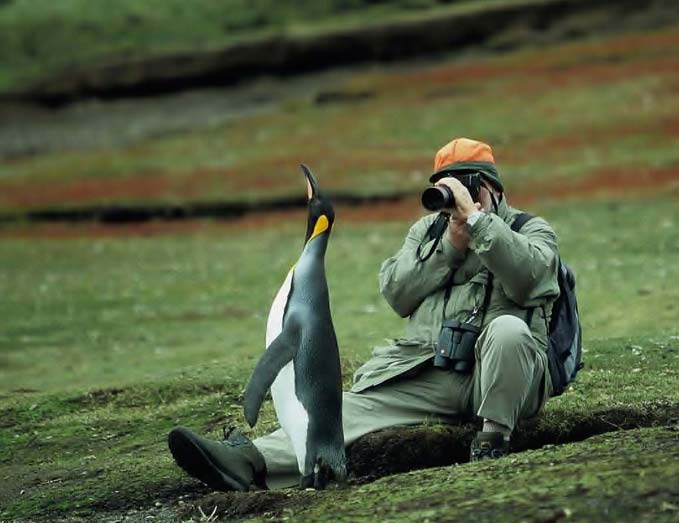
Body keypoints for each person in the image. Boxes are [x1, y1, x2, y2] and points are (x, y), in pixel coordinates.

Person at [168, 138, 560, 491]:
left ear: (492, 187)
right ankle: (249, 461)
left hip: (506, 377)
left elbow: (532, 279)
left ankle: (493, 439)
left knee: (508, 329)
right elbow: (396, 292)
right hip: (432, 375)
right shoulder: (429, 233)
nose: (454, 196)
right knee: (339, 412)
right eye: (445, 185)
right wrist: (448, 248)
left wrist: (479, 224)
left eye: (466, 183)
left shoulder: (530, 229)